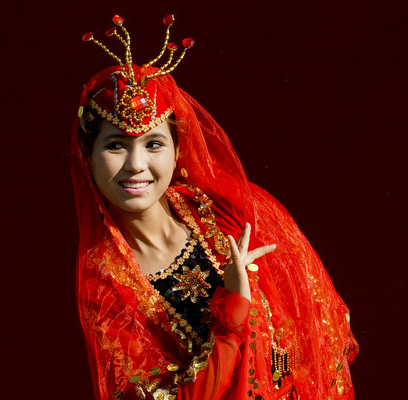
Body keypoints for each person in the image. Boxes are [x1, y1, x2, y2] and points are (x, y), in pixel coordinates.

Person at [72, 14, 358, 400]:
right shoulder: (106, 287)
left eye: (154, 144)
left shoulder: (233, 211)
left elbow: (311, 340)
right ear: (88, 158)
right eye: (116, 145)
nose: (136, 164)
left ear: (178, 151)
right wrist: (233, 310)